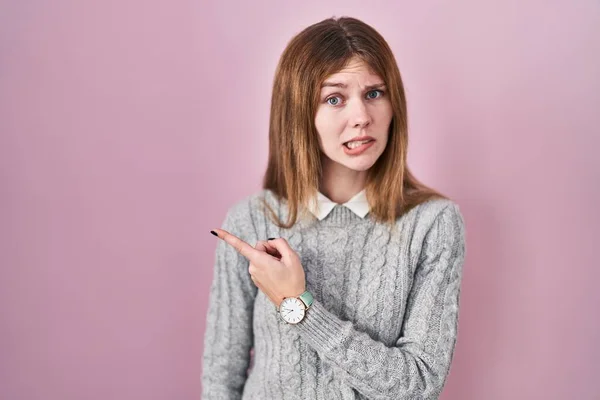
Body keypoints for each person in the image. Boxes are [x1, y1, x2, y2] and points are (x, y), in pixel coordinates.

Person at [201, 16, 466, 400]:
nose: (361, 117)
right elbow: (219, 380)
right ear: (298, 114)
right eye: (334, 98)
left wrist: (298, 306)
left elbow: (419, 385)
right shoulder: (250, 220)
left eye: (374, 93)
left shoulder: (432, 224)